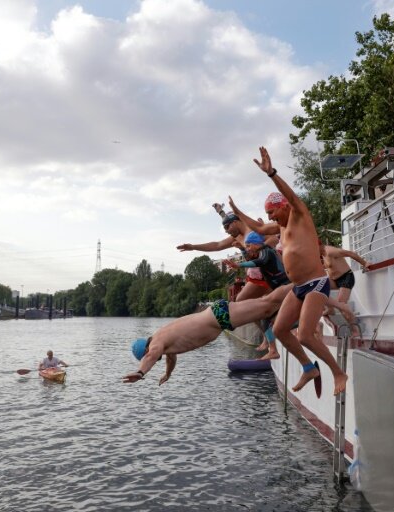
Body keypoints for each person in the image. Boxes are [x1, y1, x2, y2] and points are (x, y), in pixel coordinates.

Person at [229, 147, 349, 396]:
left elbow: (291, 196)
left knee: (305, 334)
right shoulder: (280, 228)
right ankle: (308, 367)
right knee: (281, 329)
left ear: (282, 206)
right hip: (298, 287)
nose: (269, 217)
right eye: (267, 214)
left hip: (316, 282)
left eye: (271, 211)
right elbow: (258, 230)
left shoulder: (299, 214)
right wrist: (237, 213)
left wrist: (271, 173)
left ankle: (338, 371)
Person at [123, 284, 293, 385]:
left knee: (267, 305)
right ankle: (301, 291)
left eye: (147, 357)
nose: (157, 358)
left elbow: (151, 356)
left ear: (145, 350)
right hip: (218, 316)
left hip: (219, 317)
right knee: (267, 307)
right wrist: (167, 374)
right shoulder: (162, 341)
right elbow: (170, 358)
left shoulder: (155, 346)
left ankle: (304, 283)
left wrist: (140, 373)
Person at [224, 231, 290, 359]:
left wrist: (239, 264)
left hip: (285, 286)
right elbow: (252, 258)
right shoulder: (261, 252)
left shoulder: (267, 251)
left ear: (256, 244)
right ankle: (273, 349)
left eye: (249, 245)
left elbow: (260, 261)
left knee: (266, 314)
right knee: (265, 317)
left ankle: (273, 348)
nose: (247, 248)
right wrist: (242, 249)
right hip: (281, 287)